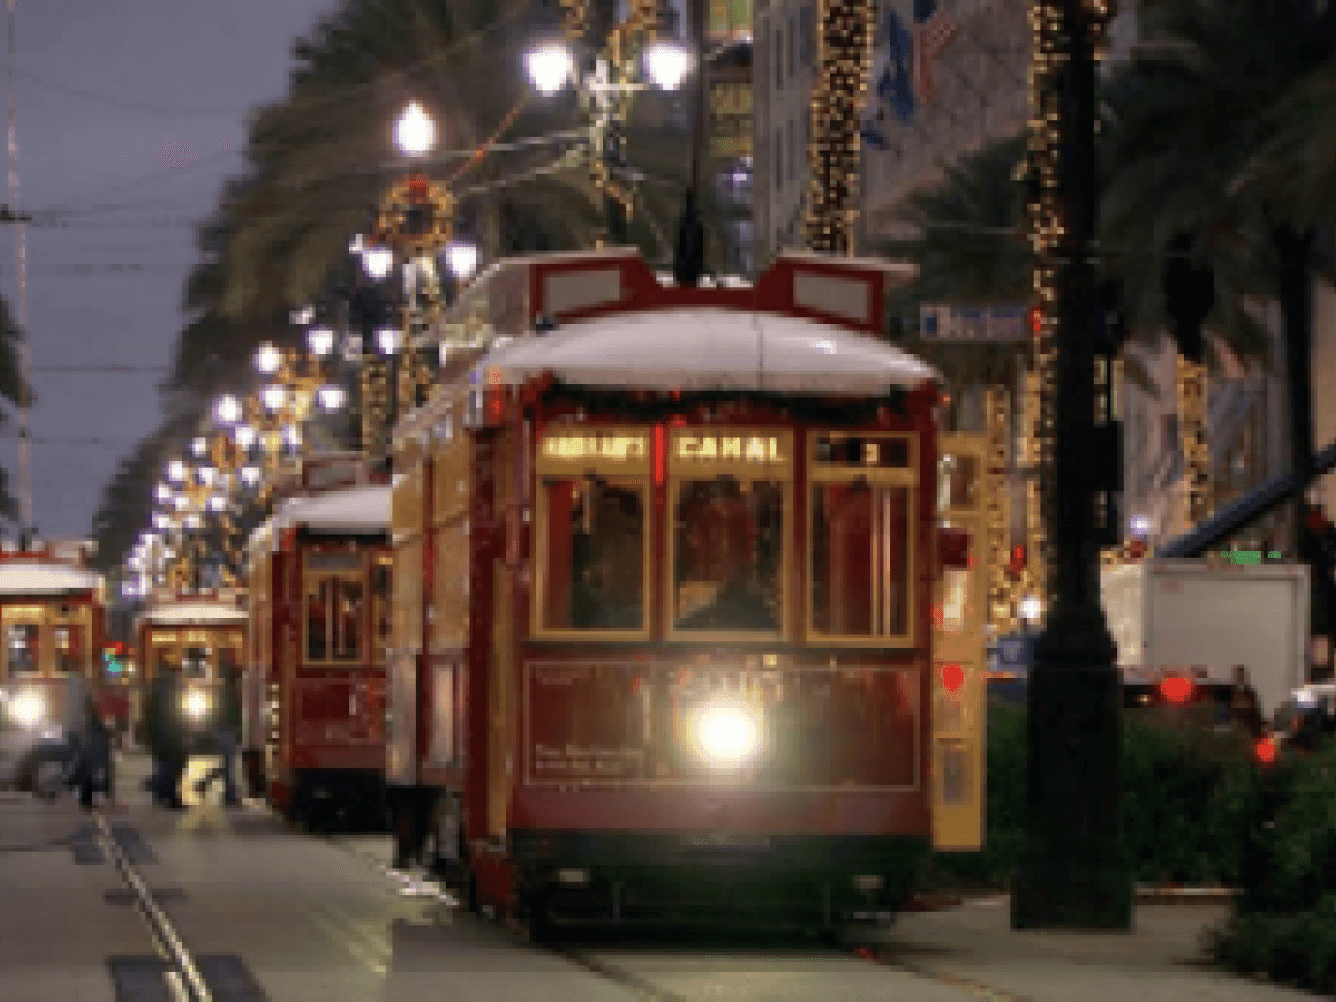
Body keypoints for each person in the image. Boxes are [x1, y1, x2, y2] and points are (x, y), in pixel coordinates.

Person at [194, 668, 242, 807]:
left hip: (221, 731)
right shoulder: (231, 694)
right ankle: (229, 795)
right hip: (227, 731)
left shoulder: (221, 693)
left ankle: (204, 784)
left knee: (227, 764)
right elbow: (234, 715)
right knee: (229, 764)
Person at [145, 671, 187, 809]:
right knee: (171, 767)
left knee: (164, 766)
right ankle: (168, 795)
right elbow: (176, 717)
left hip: (161, 737)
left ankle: (161, 793)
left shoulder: (157, 693)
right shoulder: (171, 694)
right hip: (170, 737)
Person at [72, 694, 114, 812]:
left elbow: (90, 734)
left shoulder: (89, 718)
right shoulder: (92, 718)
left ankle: (86, 800)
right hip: (93, 751)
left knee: (86, 775)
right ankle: (88, 800)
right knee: (89, 775)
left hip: (90, 751)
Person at [1230, 664, 1265, 740]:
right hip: (1236, 726)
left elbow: (1255, 710)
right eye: (1238, 675)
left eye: (1242, 675)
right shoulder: (1231, 692)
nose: (1240, 677)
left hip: (1249, 726)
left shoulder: (1250, 692)